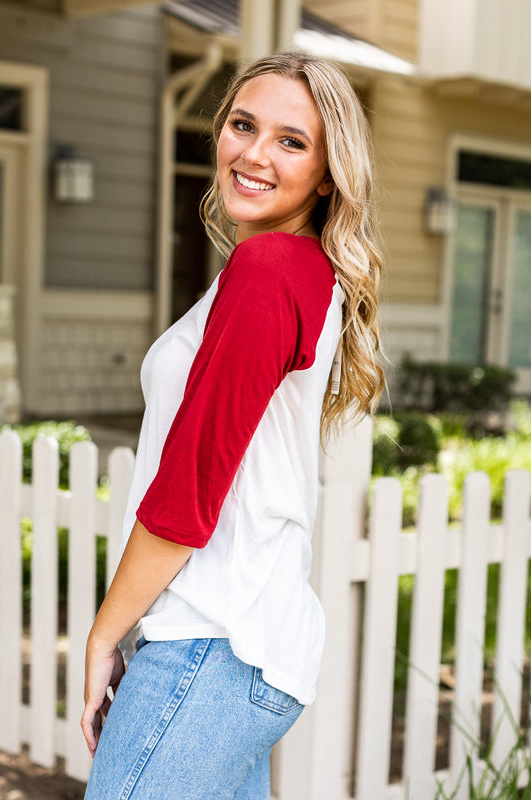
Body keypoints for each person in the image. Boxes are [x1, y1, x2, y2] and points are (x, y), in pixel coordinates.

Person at [81, 50, 384, 800]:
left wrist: (101, 634)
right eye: (242, 125)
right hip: (244, 650)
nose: (253, 153)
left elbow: (189, 492)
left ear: (326, 172)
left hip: (212, 646)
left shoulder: (270, 272)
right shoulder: (296, 272)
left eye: (291, 140)